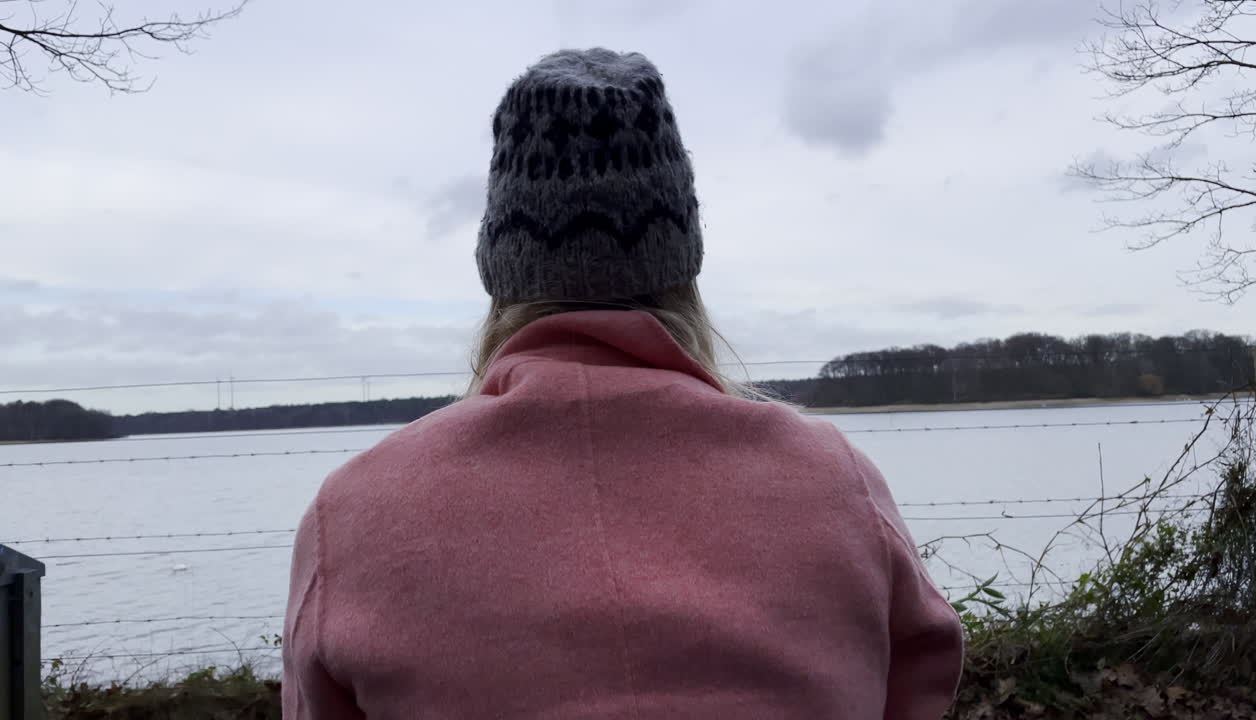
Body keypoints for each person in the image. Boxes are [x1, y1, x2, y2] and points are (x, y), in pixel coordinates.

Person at [283, 48, 963, 720]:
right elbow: (923, 672)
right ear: (682, 268)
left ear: (501, 271)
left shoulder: (355, 513)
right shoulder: (832, 481)